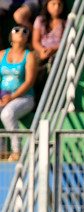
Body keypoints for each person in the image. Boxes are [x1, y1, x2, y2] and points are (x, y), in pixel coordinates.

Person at [0, 24, 37, 162]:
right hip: (3, 96)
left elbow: (29, 82)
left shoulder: (30, 56)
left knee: (7, 114)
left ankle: (16, 150)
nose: (21, 33)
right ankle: (2, 150)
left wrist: (12, 97)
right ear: (11, 36)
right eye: (16, 30)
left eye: (25, 31)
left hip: (24, 98)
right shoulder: (2, 54)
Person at [32, 0, 67, 66]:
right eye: (53, 4)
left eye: (59, 4)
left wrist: (53, 50)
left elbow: (67, 42)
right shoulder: (40, 20)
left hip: (58, 51)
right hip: (41, 51)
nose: (56, 7)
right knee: (31, 59)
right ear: (47, 5)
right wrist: (42, 50)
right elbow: (35, 41)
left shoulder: (66, 22)